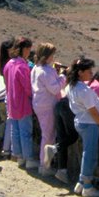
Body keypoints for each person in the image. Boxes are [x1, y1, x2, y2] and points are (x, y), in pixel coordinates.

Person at [65, 57, 99, 197]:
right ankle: (87, 186)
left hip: (81, 121)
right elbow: (93, 111)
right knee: (90, 154)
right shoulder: (83, 90)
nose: (91, 73)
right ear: (80, 72)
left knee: (86, 152)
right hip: (90, 123)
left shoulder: (71, 86)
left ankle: (81, 182)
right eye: (88, 70)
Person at [32, 43, 65, 176]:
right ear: (47, 56)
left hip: (39, 104)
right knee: (49, 135)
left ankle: (44, 164)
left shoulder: (36, 68)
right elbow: (55, 89)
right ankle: (44, 165)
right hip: (47, 105)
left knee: (47, 134)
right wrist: (63, 76)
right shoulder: (45, 71)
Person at [3, 37, 36, 170]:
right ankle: (28, 158)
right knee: (25, 132)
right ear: (24, 49)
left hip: (12, 101)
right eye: (28, 49)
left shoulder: (9, 64)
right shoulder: (22, 66)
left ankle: (19, 156)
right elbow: (28, 87)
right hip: (22, 103)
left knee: (15, 131)